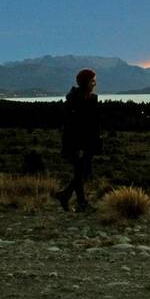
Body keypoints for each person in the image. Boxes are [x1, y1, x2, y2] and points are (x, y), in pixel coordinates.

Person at [53, 68, 102, 212]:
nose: (95, 83)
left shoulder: (88, 99)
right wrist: (79, 146)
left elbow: (92, 123)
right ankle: (78, 202)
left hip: (87, 142)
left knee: (81, 172)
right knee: (81, 172)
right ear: (86, 82)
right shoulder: (76, 101)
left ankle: (68, 197)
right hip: (77, 143)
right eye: (92, 81)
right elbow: (74, 125)